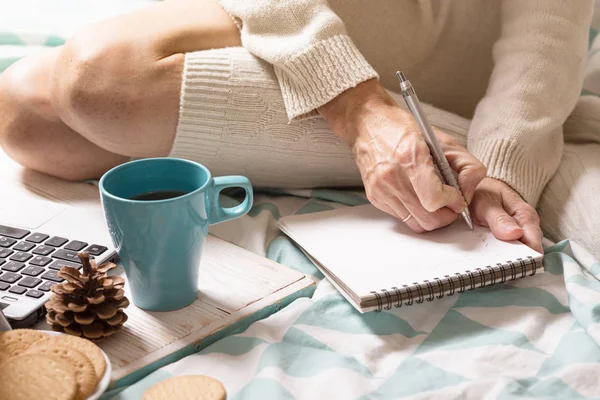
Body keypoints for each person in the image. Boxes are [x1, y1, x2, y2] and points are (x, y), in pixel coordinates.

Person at [0, 0, 598, 260]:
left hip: (456, 54)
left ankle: (451, 145)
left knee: (102, 82)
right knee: (26, 116)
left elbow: (546, 31)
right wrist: (359, 107)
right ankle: (419, 137)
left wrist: (503, 164)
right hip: (308, 20)